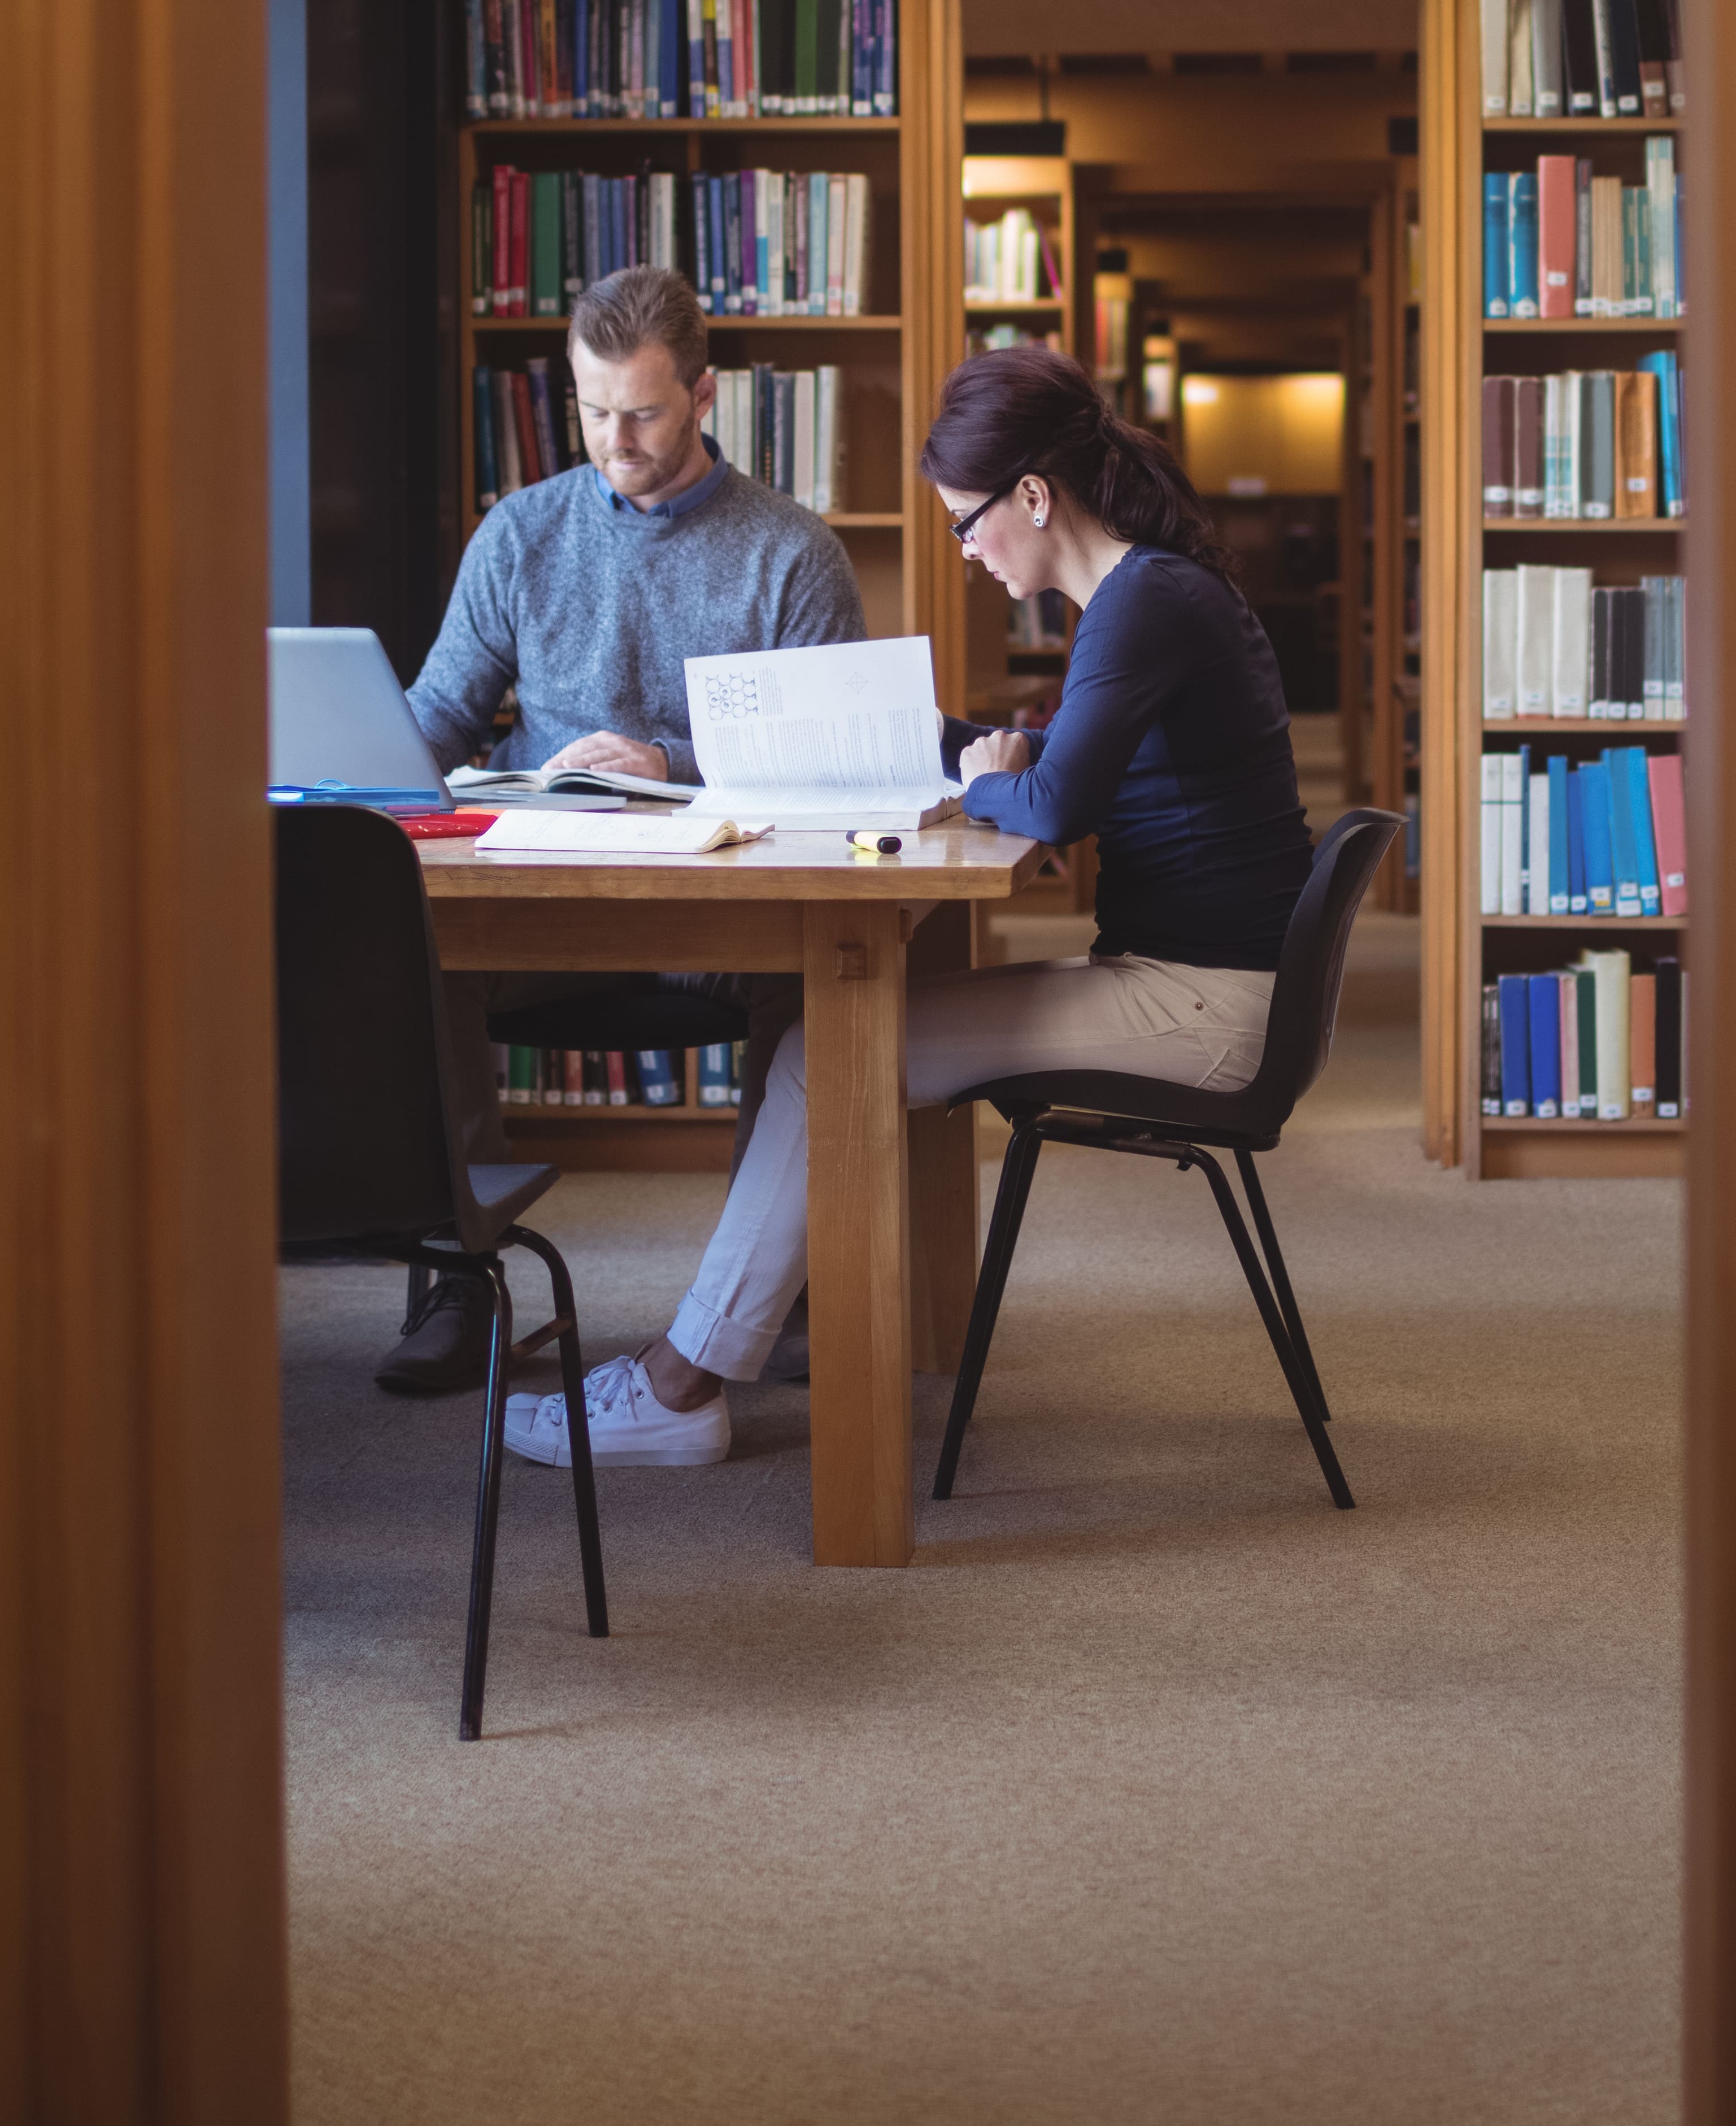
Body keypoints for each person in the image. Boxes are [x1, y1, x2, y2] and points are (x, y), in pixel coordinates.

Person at [507, 339, 1312, 1468]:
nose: (968, 548)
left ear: (1034, 494)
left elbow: (1053, 806)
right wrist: (963, 747)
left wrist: (998, 771)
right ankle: (705, 1368)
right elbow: (1058, 767)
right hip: (1201, 982)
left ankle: (680, 1387)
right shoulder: (1155, 591)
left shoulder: (1142, 603)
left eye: (967, 521)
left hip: (1202, 1005)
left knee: (818, 1052)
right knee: (832, 1041)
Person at [383, 259, 863, 1393]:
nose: (614, 438)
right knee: (415, 954)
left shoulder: (793, 553)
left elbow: (833, 770)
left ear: (703, 396)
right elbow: (437, 716)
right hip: (550, 903)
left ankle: (768, 1293)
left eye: (641, 411)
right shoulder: (521, 535)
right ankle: (464, 1270)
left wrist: (668, 762)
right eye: (592, 410)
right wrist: (368, 750)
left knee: (828, 979)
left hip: (722, 916)